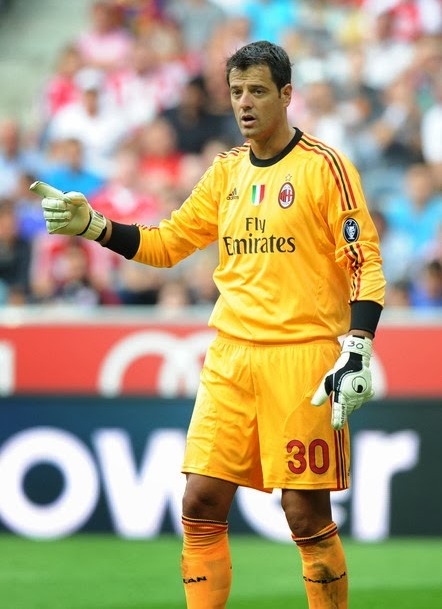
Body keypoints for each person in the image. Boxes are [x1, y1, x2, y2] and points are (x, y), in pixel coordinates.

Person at [32, 40, 385, 609]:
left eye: (258, 91)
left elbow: (363, 260)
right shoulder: (225, 171)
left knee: (304, 513)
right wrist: (95, 226)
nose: (244, 102)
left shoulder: (325, 167)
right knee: (199, 502)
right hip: (230, 357)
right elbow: (169, 242)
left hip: (302, 357)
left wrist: (358, 346)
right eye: (237, 91)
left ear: (286, 95)